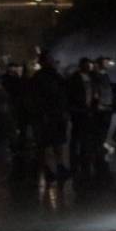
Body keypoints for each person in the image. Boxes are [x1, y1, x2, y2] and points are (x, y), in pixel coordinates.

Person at [31, 53, 70, 184]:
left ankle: (59, 166)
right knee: (44, 144)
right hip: (47, 115)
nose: (53, 62)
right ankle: (47, 169)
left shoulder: (54, 75)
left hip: (56, 114)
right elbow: (37, 98)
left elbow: (63, 92)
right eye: (50, 60)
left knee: (56, 142)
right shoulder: (39, 77)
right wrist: (42, 114)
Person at [67, 57, 96, 180]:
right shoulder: (75, 78)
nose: (89, 67)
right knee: (77, 132)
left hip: (87, 109)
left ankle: (84, 152)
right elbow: (71, 94)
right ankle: (74, 154)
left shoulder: (90, 77)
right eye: (87, 64)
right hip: (78, 110)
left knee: (86, 132)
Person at [91, 56, 116, 182]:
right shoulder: (97, 75)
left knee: (105, 126)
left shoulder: (104, 74)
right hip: (102, 106)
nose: (108, 64)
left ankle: (101, 145)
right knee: (101, 127)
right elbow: (96, 90)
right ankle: (99, 147)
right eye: (106, 62)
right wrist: (98, 103)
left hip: (107, 104)